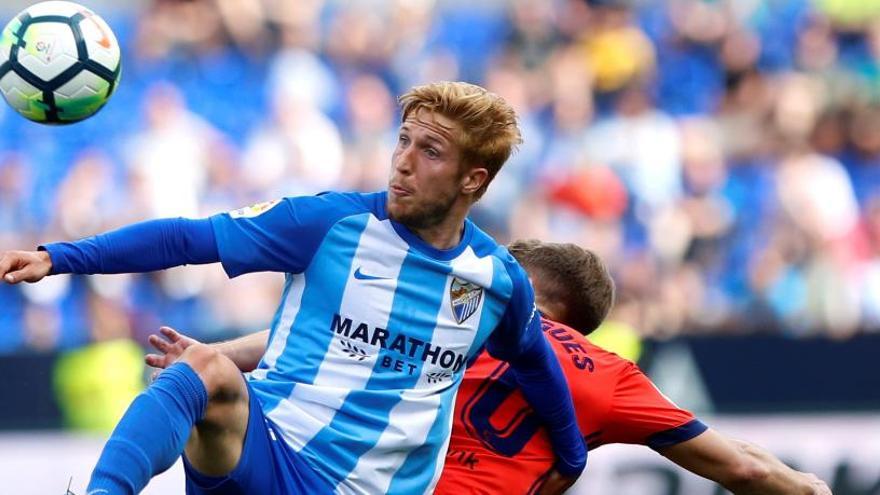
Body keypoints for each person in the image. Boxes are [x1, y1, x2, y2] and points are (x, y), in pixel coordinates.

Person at [0, 82, 586, 495]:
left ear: (472, 179)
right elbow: (187, 239)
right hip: (272, 447)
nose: (402, 162)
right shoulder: (327, 223)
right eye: (403, 140)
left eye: (429, 151)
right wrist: (58, 257)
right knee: (201, 370)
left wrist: (572, 454)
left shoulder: (497, 280)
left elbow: (535, 363)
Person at [147, 239, 832, 495]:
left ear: (535, 289)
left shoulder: (460, 309)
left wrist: (205, 363)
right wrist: (802, 487)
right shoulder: (611, 375)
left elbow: (303, 338)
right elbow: (738, 464)